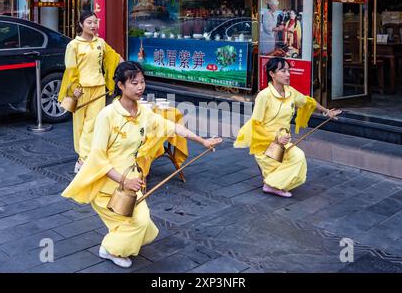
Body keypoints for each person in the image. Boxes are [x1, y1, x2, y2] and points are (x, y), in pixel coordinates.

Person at [61, 61, 222, 268]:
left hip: (132, 181)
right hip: (107, 183)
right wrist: (124, 180)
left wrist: (203, 141)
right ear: (120, 85)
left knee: (144, 227)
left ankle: (118, 242)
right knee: (138, 223)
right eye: (134, 83)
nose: (140, 87)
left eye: (142, 82)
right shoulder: (107, 115)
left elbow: (172, 127)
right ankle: (110, 248)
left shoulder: (143, 113)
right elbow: (98, 157)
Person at [234, 57, 342, 197]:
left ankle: (271, 183)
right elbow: (256, 123)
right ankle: (271, 183)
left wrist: (327, 111)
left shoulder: (290, 92)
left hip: (282, 141)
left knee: (298, 157)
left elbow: (308, 101)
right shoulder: (264, 96)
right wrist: (275, 138)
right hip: (265, 142)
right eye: (283, 71)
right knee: (281, 164)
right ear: (272, 74)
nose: (288, 74)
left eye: (288, 70)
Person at [58, 11, 124, 173]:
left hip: (98, 87)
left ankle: (84, 159)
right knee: (80, 125)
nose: (93, 25)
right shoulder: (73, 45)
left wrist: (129, 67)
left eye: (95, 22)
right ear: (81, 24)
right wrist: (75, 88)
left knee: (93, 123)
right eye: (89, 22)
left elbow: (113, 57)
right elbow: (71, 68)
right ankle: (83, 156)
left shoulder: (100, 42)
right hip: (80, 90)